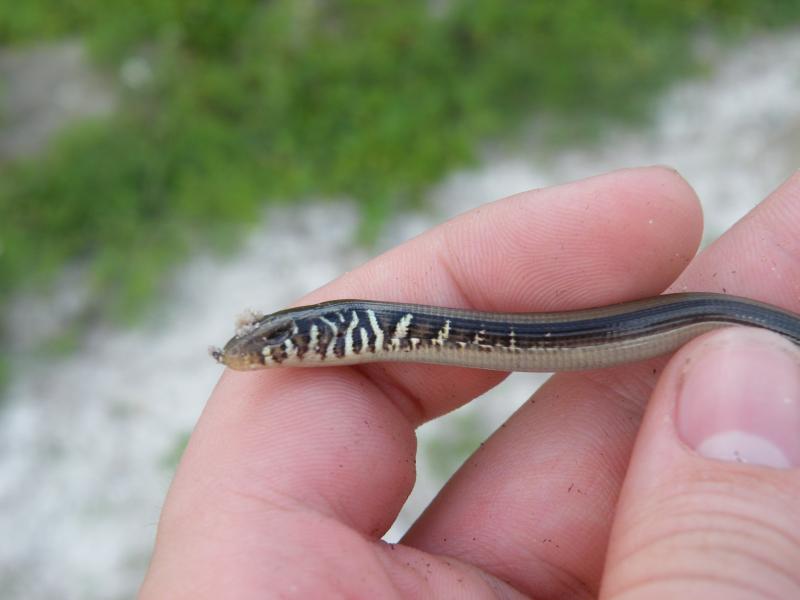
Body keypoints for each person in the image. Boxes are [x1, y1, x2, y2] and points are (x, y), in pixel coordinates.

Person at [140, 167, 800, 598]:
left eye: (279, 345)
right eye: (272, 345)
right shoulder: (386, 331)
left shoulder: (398, 329)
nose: (266, 353)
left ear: (345, 336)